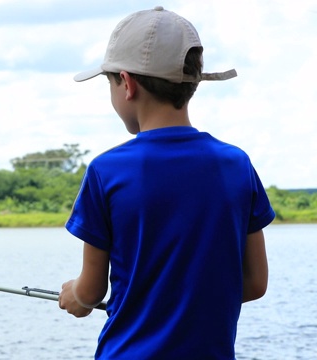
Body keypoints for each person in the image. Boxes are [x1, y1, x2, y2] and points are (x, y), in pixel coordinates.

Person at [57, 6, 275, 359]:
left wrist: (75, 296)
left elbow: (91, 290)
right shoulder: (237, 164)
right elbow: (254, 283)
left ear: (126, 84)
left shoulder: (107, 170)